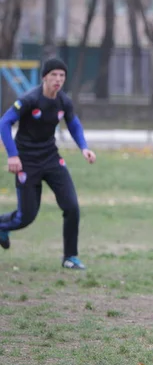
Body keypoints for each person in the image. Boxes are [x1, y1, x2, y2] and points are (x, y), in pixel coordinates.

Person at [0, 57, 96, 269]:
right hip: (26, 162)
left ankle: (70, 257)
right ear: (45, 77)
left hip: (51, 159)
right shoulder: (29, 99)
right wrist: (13, 155)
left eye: (62, 76)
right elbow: (4, 123)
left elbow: (74, 124)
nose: (58, 80)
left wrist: (84, 147)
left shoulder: (63, 101)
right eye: (54, 75)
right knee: (25, 218)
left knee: (72, 207)